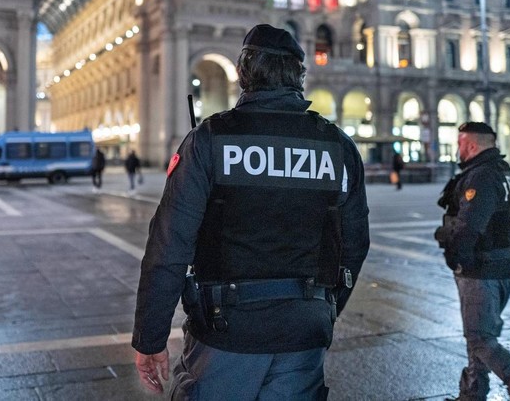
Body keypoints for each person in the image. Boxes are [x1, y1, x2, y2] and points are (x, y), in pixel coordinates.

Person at [132, 24, 370, 399]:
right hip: (304, 329)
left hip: (226, 331)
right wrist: (323, 307)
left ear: (243, 72)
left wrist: (150, 337)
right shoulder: (336, 144)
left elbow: (170, 246)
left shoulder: (210, 140)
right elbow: (354, 244)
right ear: (299, 75)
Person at [435, 122, 510, 401]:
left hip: (482, 268)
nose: (459, 148)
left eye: (461, 143)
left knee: (480, 339)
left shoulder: (481, 176)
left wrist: (456, 256)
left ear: (472, 145)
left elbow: (470, 226)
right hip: (502, 263)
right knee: (479, 335)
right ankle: (472, 394)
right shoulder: (502, 171)